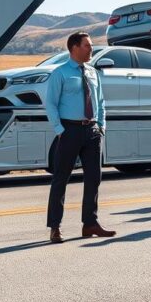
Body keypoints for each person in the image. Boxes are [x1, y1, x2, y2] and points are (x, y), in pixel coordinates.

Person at [44, 31, 115, 244]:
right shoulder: (60, 73)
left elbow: (100, 101)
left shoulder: (93, 72)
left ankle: (90, 223)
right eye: (87, 45)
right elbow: (51, 103)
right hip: (69, 130)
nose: (91, 49)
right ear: (74, 47)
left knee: (94, 178)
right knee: (61, 178)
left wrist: (101, 126)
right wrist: (60, 130)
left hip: (92, 131)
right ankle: (55, 227)